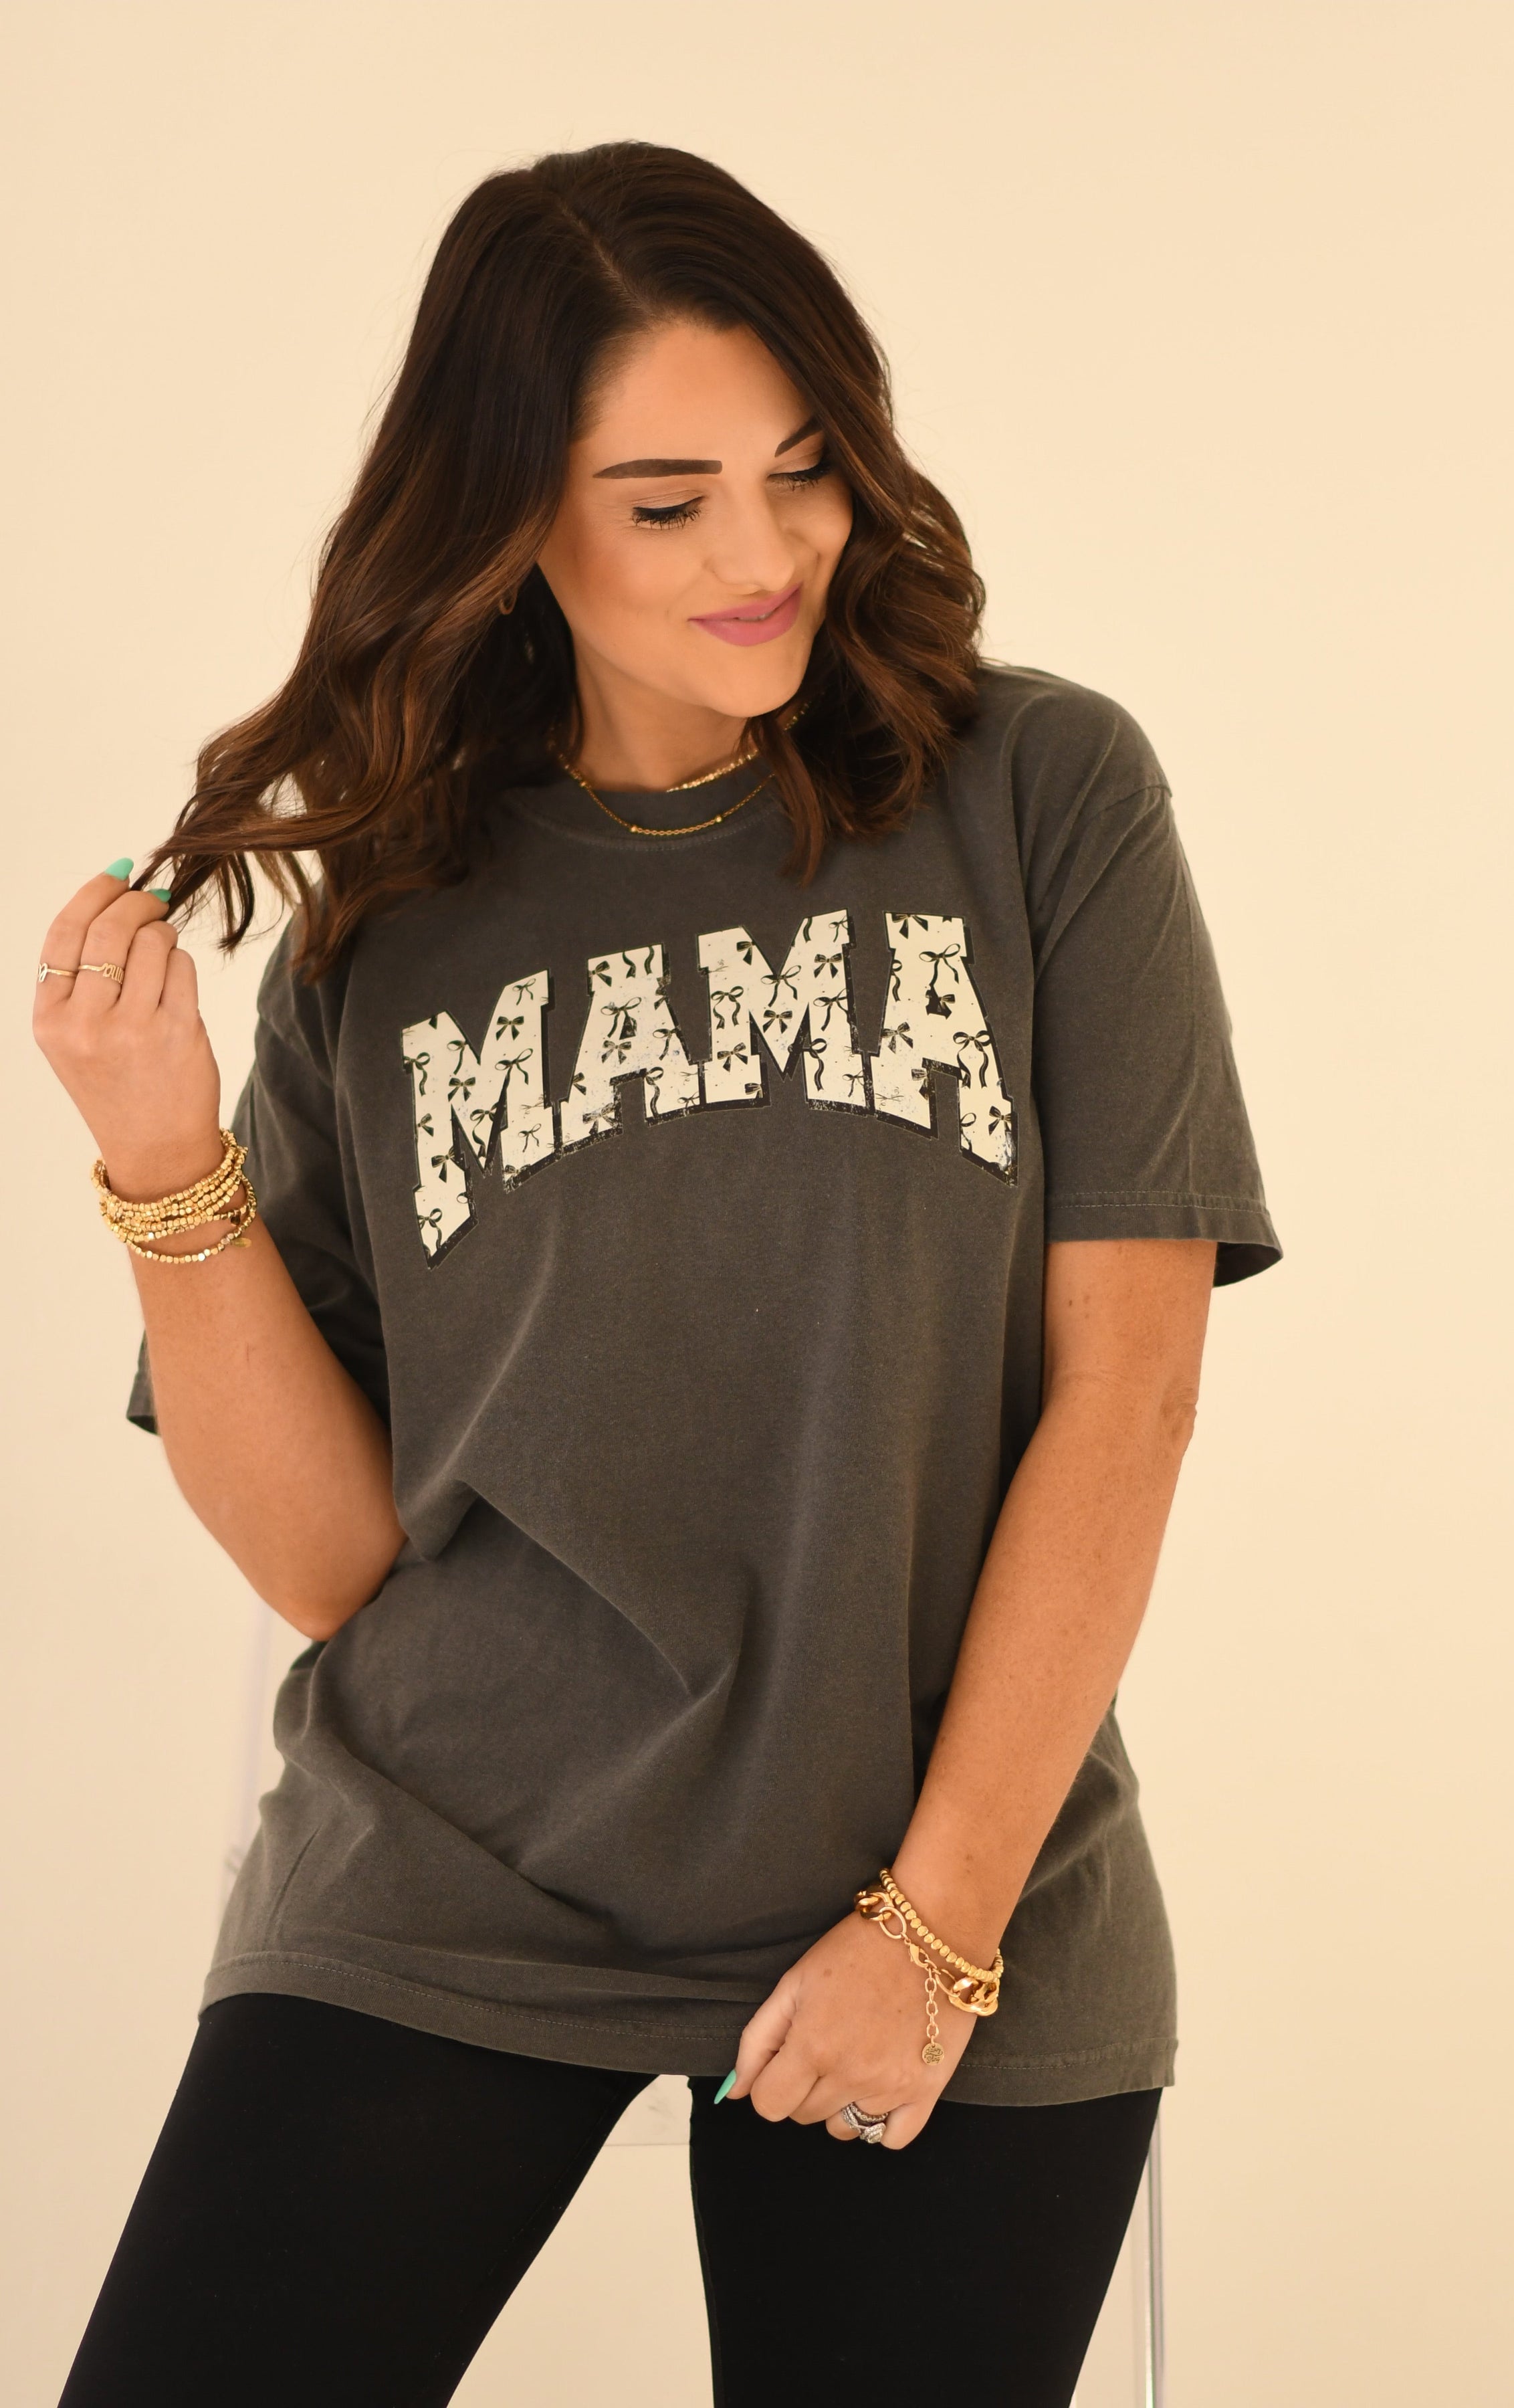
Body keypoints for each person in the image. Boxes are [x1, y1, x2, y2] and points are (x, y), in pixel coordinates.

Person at [35, 142, 1279, 2408]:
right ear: (511, 518)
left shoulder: (1040, 795)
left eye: (803, 468)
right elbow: (335, 1559)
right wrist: (162, 1159)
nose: (766, 552)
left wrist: (938, 1928)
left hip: (943, 1884)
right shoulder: (390, 925)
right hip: (453, 1875)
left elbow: (1133, 1396)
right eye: (668, 499)